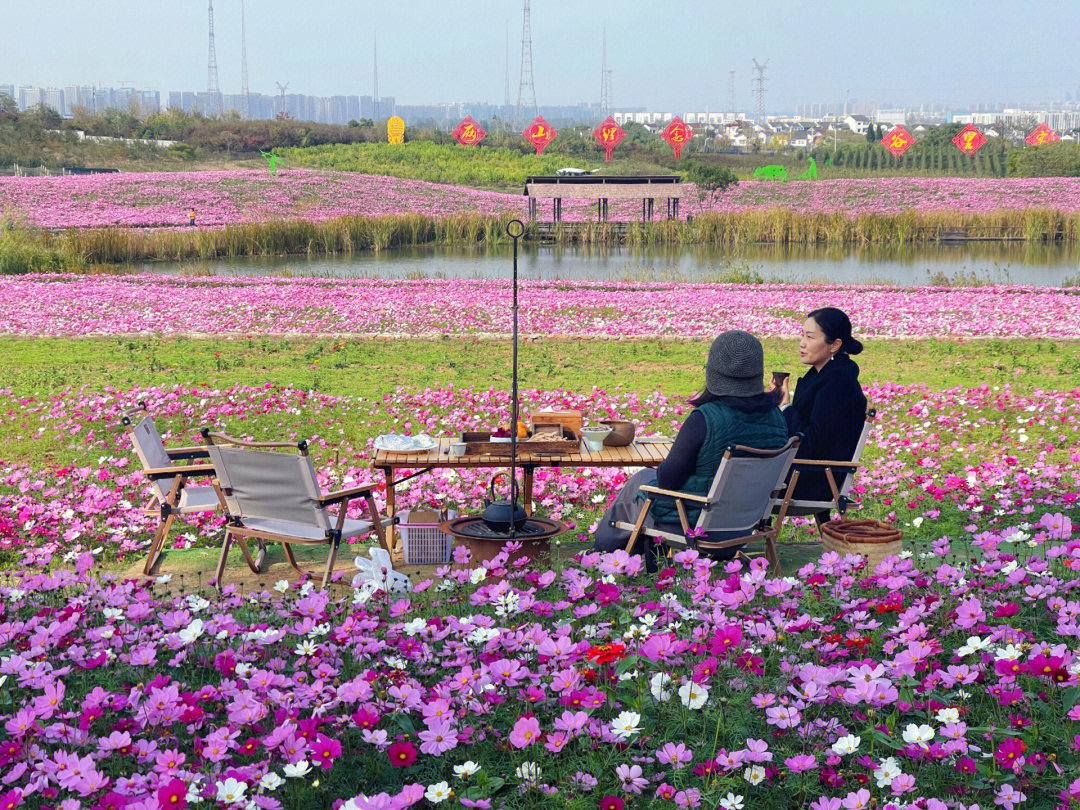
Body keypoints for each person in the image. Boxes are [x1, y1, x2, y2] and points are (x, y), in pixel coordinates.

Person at [593, 330, 788, 570]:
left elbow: (668, 480)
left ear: (713, 372)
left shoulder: (705, 419)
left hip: (697, 527)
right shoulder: (777, 418)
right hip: (746, 525)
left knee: (642, 480)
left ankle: (604, 552)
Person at [775, 307, 867, 521]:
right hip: (807, 471)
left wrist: (786, 408)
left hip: (815, 480)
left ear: (834, 345)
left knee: (741, 481)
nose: (802, 343)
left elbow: (813, 442)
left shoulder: (837, 384)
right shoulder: (821, 377)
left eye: (810, 337)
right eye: (802, 335)